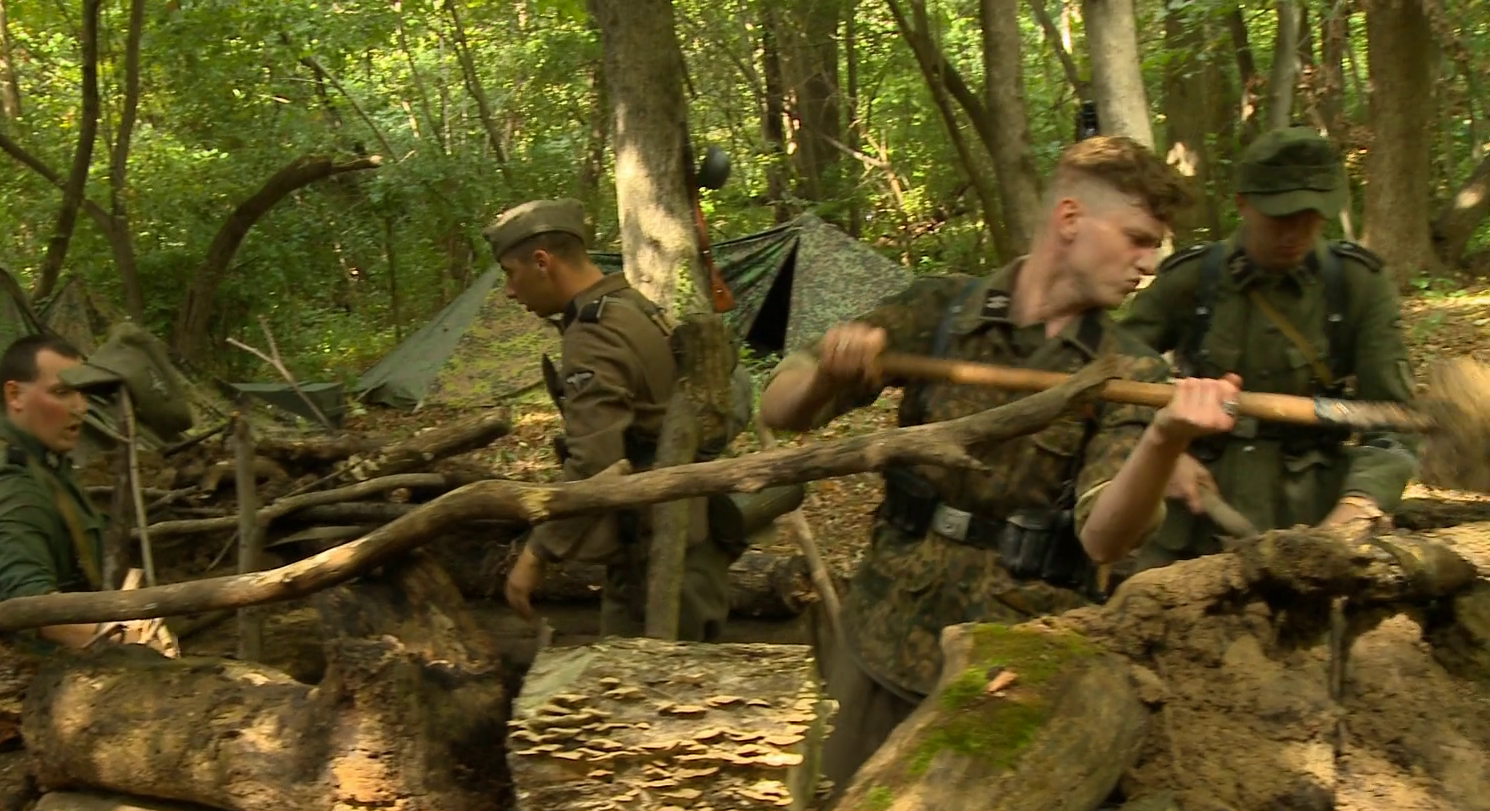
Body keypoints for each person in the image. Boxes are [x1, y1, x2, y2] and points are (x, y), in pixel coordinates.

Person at [759, 135, 1244, 777]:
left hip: (1015, 669)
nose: (1150, 263)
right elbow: (778, 407)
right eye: (1136, 238)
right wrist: (829, 372)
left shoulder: (1128, 369)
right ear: (1071, 219)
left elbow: (1104, 537)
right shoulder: (940, 309)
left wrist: (1164, 440)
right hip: (883, 633)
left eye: (1154, 245)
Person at [1120, 126, 1420, 569]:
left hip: (1314, 515)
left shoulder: (1357, 285)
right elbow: (1112, 379)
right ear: (1244, 203)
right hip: (1197, 518)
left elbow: (1393, 422)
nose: (1296, 233)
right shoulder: (1194, 279)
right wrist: (1165, 457)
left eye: (1312, 217)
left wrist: (1359, 506)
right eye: (1282, 216)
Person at [486, 198, 732, 641]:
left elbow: (594, 461)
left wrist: (537, 554)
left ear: (543, 262)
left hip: (657, 561)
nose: (509, 290)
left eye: (510, 273)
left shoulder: (594, 334)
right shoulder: (632, 305)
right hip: (688, 541)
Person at [0, 333, 145, 650]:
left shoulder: (45, 465)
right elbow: (35, 611)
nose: (80, 407)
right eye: (62, 392)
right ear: (15, 395)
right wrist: (135, 644)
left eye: (81, 393)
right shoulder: (9, 482)